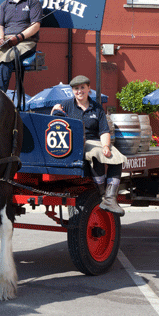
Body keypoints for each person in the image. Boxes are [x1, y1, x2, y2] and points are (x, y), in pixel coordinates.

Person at [51, 75, 127, 216]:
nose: (79, 91)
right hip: (74, 142)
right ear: (72, 91)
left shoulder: (97, 108)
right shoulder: (66, 105)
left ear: (89, 89)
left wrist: (106, 146)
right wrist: (55, 110)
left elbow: (104, 130)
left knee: (117, 157)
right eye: (76, 88)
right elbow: (55, 123)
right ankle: (103, 193)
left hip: (95, 141)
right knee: (96, 155)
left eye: (82, 88)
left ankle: (110, 198)